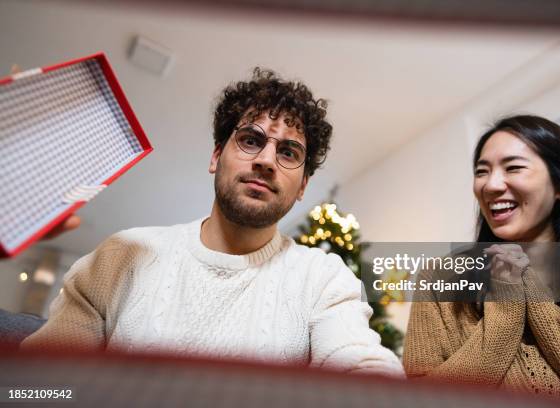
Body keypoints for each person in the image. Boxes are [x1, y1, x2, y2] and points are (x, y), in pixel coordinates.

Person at [21, 68, 404, 377]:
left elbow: (357, 359)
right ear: (216, 156)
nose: (267, 160)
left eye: (288, 151)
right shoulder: (122, 256)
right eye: (251, 141)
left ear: (302, 186)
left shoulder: (323, 279)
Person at [403, 115, 560, 402]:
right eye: (481, 171)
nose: (491, 185)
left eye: (513, 167)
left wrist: (531, 294)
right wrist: (506, 307)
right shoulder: (440, 279)